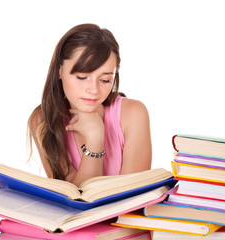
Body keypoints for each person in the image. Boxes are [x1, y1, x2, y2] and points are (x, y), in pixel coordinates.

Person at [28, 23, 152, 186]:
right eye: (81, 77)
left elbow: (132, 196)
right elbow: (75, 198)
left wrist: (97, 134)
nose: (94, 90)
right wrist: (94, 139)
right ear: (59, 70)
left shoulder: (133, 114)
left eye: (105, 80)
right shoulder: (43, 120)